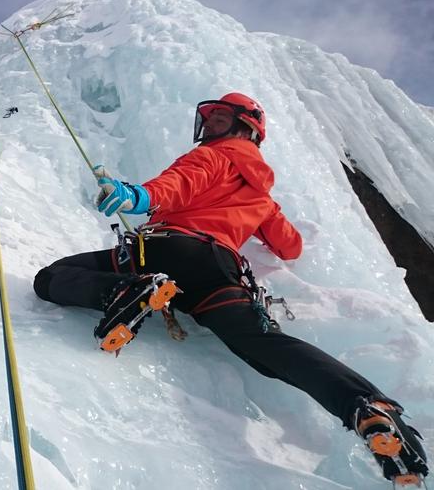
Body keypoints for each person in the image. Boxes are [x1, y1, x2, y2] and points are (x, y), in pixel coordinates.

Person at [33, 92, 428, 486]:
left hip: (164, 249)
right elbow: (290, 246)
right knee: (264, 345)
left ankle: (122, 293)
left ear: (246, 127)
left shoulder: (212, 155)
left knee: (51, 276)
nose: (210, 125)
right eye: (210, 118)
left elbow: (179, 183)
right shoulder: (261, 195)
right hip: (217, 270)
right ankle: (366, 407)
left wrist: (139, 196)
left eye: (221, 118)